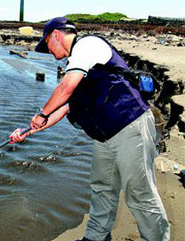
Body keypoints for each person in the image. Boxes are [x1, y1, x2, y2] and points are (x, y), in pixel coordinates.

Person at [9, 17, 170, 241]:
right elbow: (65, 107)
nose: (48, 52)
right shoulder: (75, 63)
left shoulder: (87, 46)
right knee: (102, 187)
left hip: (130, 124)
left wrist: (42, 113)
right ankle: (96, 238)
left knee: (139, 192)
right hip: (105, 136)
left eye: (47, 45)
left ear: (55, 35)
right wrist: (28, 130)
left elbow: (65, 88)